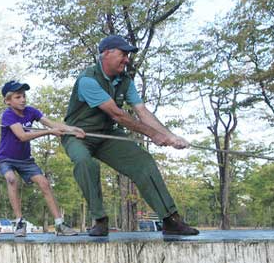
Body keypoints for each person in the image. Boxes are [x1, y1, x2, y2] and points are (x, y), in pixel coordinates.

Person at [62, 35, 199, 237]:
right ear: (106, 54)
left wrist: (170, 136)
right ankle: (100, 220)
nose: (127, 59)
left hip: (108, 136)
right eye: (123, 53)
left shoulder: (125, 80)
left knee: (143, 162)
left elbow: (142, 111)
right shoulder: (88, 80)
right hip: (78, 135)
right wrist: (152, 134)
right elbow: (117, 114)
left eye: (128, 55)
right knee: (85, 162)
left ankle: (170, 220)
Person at [0, 80, 81, 237]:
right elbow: (22, 136)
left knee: (44, 183)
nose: (23, 99)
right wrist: (49, 132)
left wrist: (72, 129)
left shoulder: (31, 111)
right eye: (18, 97)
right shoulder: (8, 115)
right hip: (7, 158)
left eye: (24, 96)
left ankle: (59, 224)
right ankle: (19, 222)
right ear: (8, 101)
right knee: (11, 179)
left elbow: (51, 123)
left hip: (25, 160)